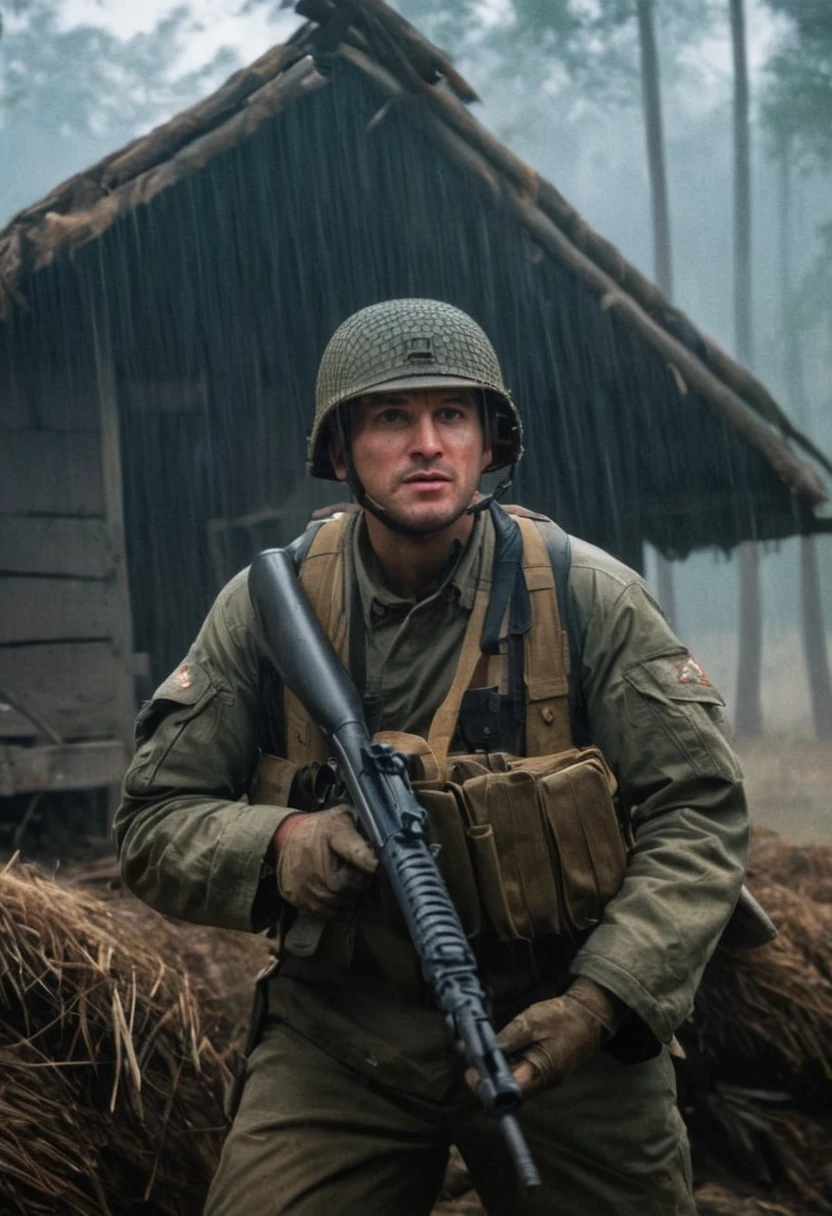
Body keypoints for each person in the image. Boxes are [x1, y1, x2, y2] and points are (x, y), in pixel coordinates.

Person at [115, 298, 749, 1215]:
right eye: (390, 418)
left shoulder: (589, 597)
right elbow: (150, 819)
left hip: (559, 1021)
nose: (426, 444)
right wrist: (284, 841)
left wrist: (602, 1001)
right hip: (343, 1036)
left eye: (451, 415)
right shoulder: (268, 608)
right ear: (339, 453)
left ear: (489, 443)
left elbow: (699, 810)